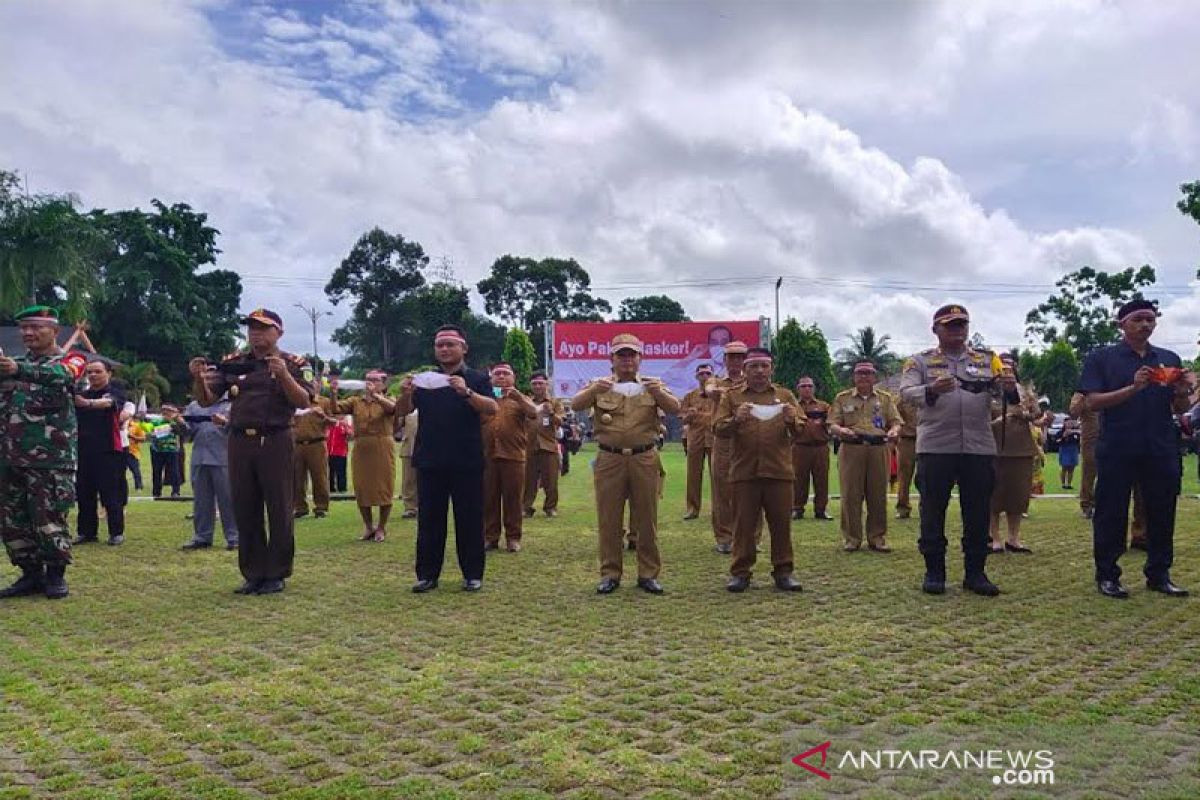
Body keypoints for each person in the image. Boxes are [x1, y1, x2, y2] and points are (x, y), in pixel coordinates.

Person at [189, 308, 313, 596]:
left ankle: (277, 572)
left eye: (262, 327)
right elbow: (207, 401)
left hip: (275, 439)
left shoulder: (294, 363)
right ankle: (253, 571)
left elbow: (304, 399)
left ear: (278, 332)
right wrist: (199, 378)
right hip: (239, 440)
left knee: (279, 506)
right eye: (251, 328)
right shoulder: (234, 363)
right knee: (244, 506)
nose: (255, 333)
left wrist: (283, 376)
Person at [1079, 299, 1193, 599]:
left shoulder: (1167, 358)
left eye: (1150, 319)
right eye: (1139, 319)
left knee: (1162, 511)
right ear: (1122, 324)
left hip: (1160, 444)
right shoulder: (1102, 358)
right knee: (1111, 512)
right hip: (1118, 445)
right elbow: (1091, 402)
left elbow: (1179, 407)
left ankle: (1159, 573)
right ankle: (1108, 575)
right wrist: (1133, 388)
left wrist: (1183, 391)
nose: (1145, 324)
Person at [900, 304, 1015, 597]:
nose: (957, 330)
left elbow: (1010, 395)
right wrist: (931, 389)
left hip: (978, 446)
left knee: (977, 512)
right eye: (950, 325)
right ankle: (934, 571)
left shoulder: (988, 360)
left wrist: (1011, 386)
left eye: (962, 325)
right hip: (936, 446)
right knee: (932, 510)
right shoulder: (920, 362)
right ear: (935, 329)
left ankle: (975, 573)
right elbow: (905, 394)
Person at [572, 333, 680, 594]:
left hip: (644, 457)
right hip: (610, 457)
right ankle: (610, 573)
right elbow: (576, 404)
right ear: (612, 359)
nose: (627, 360)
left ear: (640, 359)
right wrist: (594, 390)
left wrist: (657, 392)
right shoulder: (600, 385)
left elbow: (676, 408)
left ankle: (648, 574)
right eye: (621, 355)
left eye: (632, 354)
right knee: (609, 518)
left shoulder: (653, 384)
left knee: (647, 518)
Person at [398, 325, 496, 594]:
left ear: (464, 348)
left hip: (467, 459)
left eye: (450, 344)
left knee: (469, 520)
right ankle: (427, 575)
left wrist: (466, 392)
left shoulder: (477, 378)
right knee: (429, 521)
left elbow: (492, 408)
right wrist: (406, 393)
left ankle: (472, 574)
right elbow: (402, 411)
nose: (444, 349)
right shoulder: (426, 380)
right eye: (440, 344)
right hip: (430, 459)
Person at [0, 306, 88, 599]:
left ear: (55, 330)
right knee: (13, 520)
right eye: (24, 327)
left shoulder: (70, 359)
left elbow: (65, 376)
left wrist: (19, 369)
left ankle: (55, 574)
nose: (28, 333)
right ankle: (30, 573)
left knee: (48, 516)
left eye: (35, 327)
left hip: (51, 458)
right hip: (10, 455)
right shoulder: (13, 364)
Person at [713, 348, 804, 593]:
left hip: (779, 471)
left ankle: (784, 572)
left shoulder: (785, 395)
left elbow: (802, 429)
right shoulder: (732, 397)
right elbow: (718, 428)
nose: (760, 371)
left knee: (781, 524)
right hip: (745, 472)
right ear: (745, 369)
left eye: (764, 366)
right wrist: (735, 420)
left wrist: (791, 420)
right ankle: (740, 573)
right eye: (754, 366)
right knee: (743, 526)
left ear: (771, 368)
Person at [829, 363, 902, 552]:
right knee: (850, 495)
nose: (864, 377)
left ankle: (877, 537)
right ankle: (852, 538)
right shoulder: (842, 398)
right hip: (852, 447)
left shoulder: (885, 399)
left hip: (878, 448)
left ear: (874, 377)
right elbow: (832, 424)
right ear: (854, 377)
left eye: (868, 373)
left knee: (878, 494)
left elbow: (896, 422)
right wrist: (841, 430)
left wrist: (894, 431)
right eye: (860, 373)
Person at [335, 370, 398, 542]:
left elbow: (393, 409)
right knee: (362, 487)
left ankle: (382, 527)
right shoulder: (356, 401)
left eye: (375, 380)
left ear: (383, 384)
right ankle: (368, 526)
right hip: (362, 446)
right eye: (368, 380)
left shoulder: (389, 398)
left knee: (385, 487)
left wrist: (376, 396)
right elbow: (336, 408)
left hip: (382, 445)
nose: (370, 383)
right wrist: (334, 392)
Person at [73, 359, 129, 546]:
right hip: (83, 450)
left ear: (108, 373)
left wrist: (87, 404)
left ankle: (116, 532)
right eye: (89, 372)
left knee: (111, 493)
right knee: (84, 492)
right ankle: (87, 532)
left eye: (97, 371)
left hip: (109, 450)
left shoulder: (115, 392)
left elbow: (109, 404)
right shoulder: (82, 394)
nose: (93, 375)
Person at [181, 371, 238, 550]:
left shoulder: (232, 405)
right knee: (201, 500)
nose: (206, 382)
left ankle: (234, 537)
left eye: (211, 379)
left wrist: (225, 423)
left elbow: (239, 431)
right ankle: (202, 536)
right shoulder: (194, 406)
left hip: (224, 458)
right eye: (204, 379)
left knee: (228, 500)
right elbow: (188, 434)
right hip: (200, 458)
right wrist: (178, 421)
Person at [483, 363, 538, 551]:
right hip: (487, 456)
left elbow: (534, 412)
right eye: (497, 374)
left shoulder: (520, 399)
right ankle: (490, 537)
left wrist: (519, 396)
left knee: (513, 499)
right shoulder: (485, 399)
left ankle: (513, 537)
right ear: (491, 378)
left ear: (513, 378)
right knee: (488, 498)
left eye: (506, 373)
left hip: (513, 456)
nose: (501, 377)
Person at [988, 357, 1038, 554]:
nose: (1007, 374)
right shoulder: (988, 393)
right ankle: (994, 538)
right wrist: (1000, 420)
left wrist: (1024, 414)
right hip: (995, 450)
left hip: (1021, 449)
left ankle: (1014, 538)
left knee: (1017, 496)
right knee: (994, 496)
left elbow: (1036, 413)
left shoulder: (1024, 393)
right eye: (1003, 370)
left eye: (1010, 370)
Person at [707, 340, 749, 553]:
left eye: (740, 357)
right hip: (723, 440)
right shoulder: (716, 381)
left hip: (747, 440)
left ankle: (751, 537)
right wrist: (718, 390)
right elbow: (710, 389)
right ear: (724, 360)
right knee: (722, 490)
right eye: (731, 357)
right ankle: (724, 537)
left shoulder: (754, 381)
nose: (736, 361)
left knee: (750, 489)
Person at [790, 376, 833, 521]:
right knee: (798, 479)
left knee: (822, 479)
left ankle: (821, 509)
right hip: (800, 447)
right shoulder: (793, 406)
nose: (806, 389)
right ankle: (797, 508)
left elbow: (831, 423)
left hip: (820, 447)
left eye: (809, 386)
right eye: (803, 386)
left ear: (814, 388)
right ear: (798, 389)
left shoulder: (823, 406)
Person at [523, 371, 564, 518]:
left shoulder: (554, 402)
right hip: (529, 446)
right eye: (534, 383)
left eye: (541, 383)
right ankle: (526, 508)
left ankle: (550, 507)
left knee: (551, 480)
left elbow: (561, 422)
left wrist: (552, 413)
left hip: (549, 446)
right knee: (528, 480)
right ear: (530, 385)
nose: (538, 386)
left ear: (547, 384)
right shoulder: (526, 401)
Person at [293, 381, 335, 519]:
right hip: (297, 444)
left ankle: (321, 507)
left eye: (312, 384)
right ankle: (300, 507)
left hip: (317, 443)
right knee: (297, 478)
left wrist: (324, 416)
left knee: (319, 477)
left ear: (318, 387)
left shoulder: (324, 402)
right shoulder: (295, 401)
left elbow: (335, 422)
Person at [680, 363, 715, 520]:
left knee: (718, 476)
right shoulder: (689, 397)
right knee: (693, 475)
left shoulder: (719, 395)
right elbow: (683, 419)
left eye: (708, 373)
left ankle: (719, 509)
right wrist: (690, 415)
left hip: (715, 439)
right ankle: (693, 509)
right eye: (702, 374)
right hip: (696, 439)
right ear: (696, 377)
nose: (705, 377)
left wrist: (701, 415)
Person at [150, 405, 186, 497]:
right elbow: (151, 433)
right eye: (165, 411)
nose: (167, 413)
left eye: (170, 411)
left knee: (174, 471)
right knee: (157, 471)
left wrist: (174, 423)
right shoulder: (156, 421)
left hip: (172, 450)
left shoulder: (176, 422)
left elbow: (181, 431)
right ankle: (156, 492)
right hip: (157, 450)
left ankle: (175, 491)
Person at [894, 397, 919, 519]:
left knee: (928, 476)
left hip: (929, 438)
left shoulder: (932, 395)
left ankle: (927, 506)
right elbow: (895, 419)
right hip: (907, 439)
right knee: (904, 475)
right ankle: (903, 507)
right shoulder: (902, 400)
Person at [395, 410, 418, 518]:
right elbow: (397, 425)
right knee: (408, 479)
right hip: (409, 446)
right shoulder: (406, 406)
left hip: (428, 446)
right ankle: (410, 507)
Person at [327, 412, 351, 494]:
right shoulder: (329, 425)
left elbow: (350, 433)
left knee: (341, 472)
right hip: (330, 452)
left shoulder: (344, 425)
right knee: (330, 472)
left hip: (341, 452)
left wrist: (344, 426)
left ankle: (342, 488)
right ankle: (331, 488)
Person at [1058, 418, 1081, 489]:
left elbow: (1079, 440)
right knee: (1064, 467)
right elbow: (1056, 441)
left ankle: (1069, 484)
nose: (1069, 424)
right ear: (1064, 423)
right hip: (1064, 449)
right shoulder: (1060, 432)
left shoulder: (1075, 432)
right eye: (1067, 423)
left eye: (1070, 423)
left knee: (1071, 468)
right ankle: (1063, 484)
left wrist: (1074, 432)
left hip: (1073, 450)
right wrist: (1063, 437)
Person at [125, 414, 146, 492]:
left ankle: (139, 487)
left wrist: (132, 436)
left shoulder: (136, 426)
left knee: (135, 470)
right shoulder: (118, 425)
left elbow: (143, 438)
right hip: (120, 451)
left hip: (132, 452)